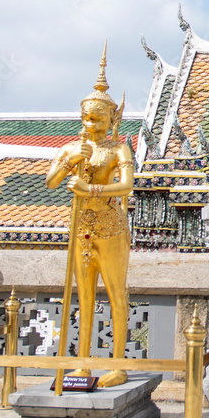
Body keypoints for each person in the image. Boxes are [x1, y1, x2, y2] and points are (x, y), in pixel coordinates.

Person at [45, 47, 134, 388]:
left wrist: (90, 189)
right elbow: (51, 182)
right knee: (83, 297)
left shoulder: (118, 149)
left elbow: (126, 186)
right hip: (80, 229)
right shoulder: (72, 148)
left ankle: (118, 364)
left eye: (98, 119)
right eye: (86, 118)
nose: (91, 125)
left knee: (116, 295)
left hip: (111, 228)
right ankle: (82, 365)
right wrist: (69, 163)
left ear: (112, 119)